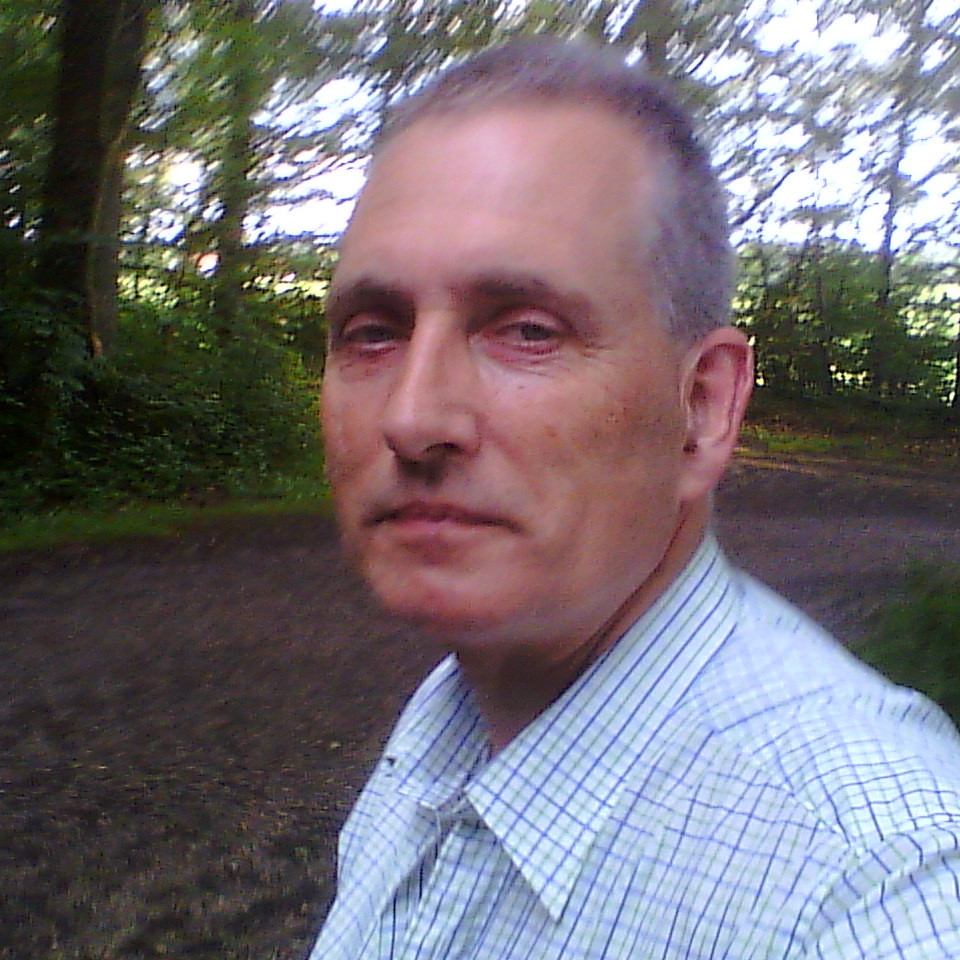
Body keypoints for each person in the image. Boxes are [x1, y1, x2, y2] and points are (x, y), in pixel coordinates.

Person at [309, 37, 960, 960]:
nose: (412, 419)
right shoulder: (455, 714)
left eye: (527, 331)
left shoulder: (879, 887)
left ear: (702, 408)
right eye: (373, 334)